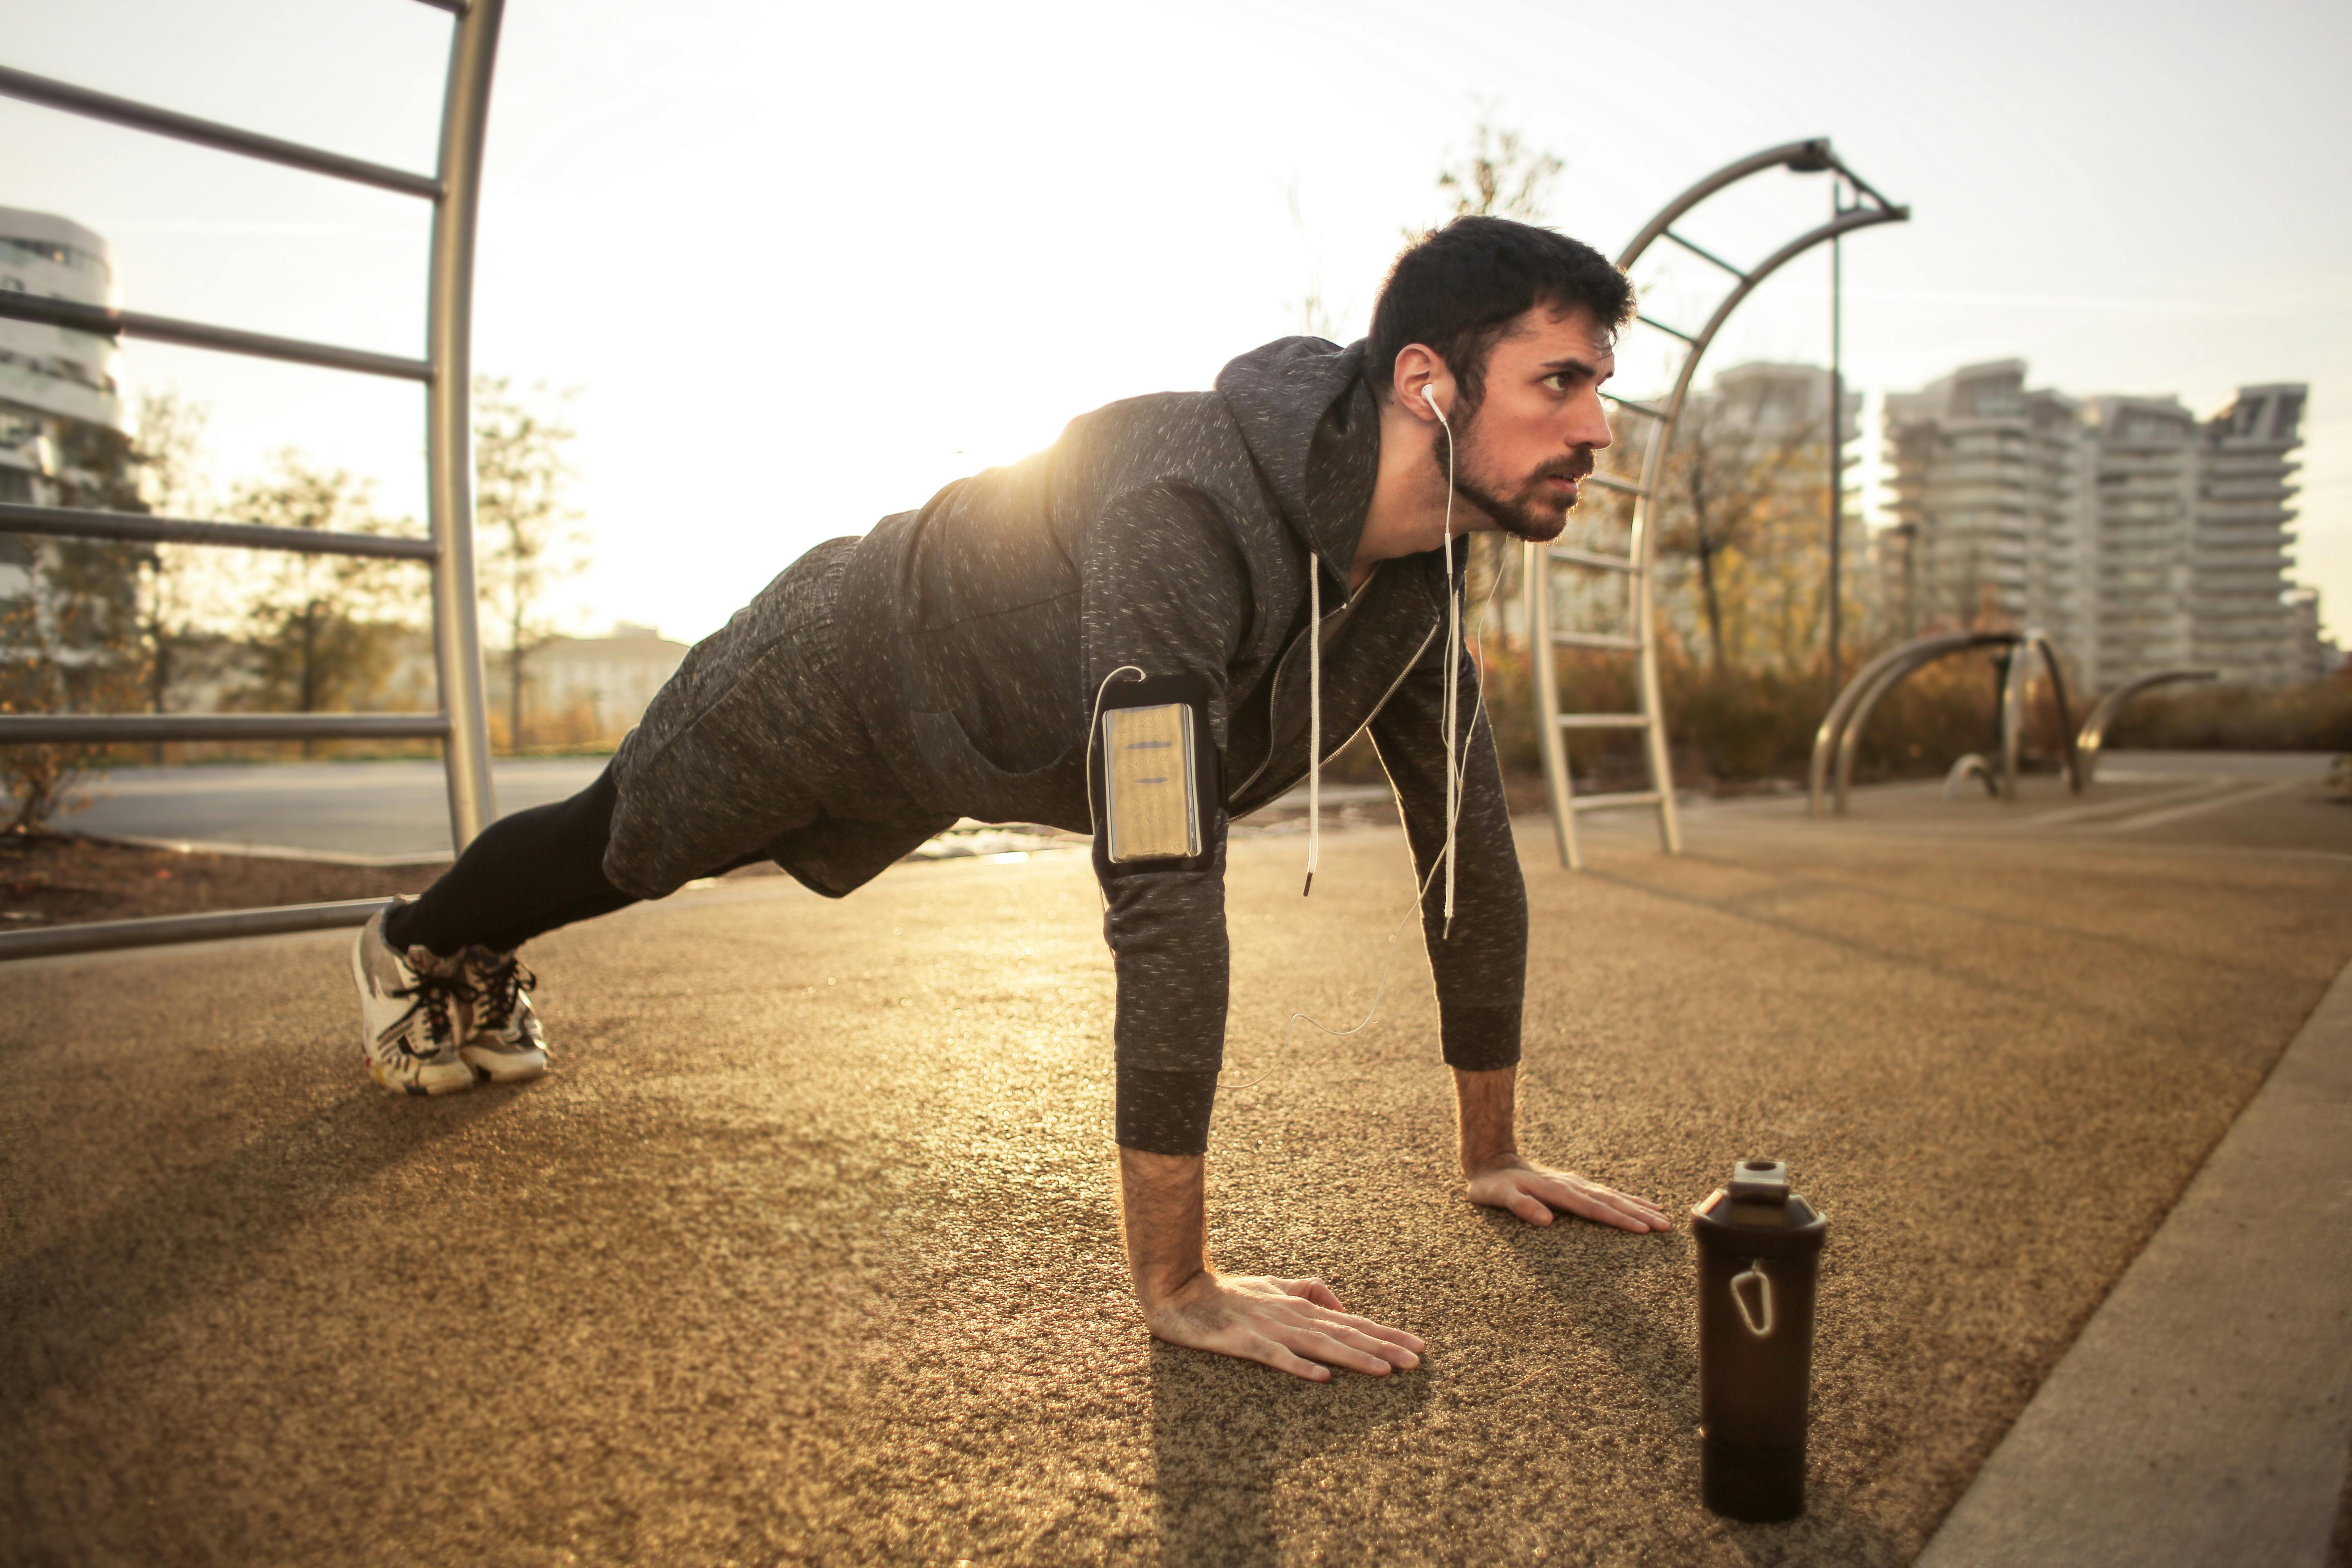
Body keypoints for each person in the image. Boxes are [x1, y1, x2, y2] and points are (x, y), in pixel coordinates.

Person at [352, 215, 1673, 1382]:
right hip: (844, 662)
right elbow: (1163, 875)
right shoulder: (1184, 508)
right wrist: (1179, 1280)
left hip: (978, 744)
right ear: (1426, 382)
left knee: (639, 847)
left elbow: (1471, 851)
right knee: (625, 846)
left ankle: (457, 944)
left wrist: (1491, 1152)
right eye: (1560, 382)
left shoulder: (1424, 586)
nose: (1598, 429)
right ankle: (419, 937)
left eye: (1603, 388)